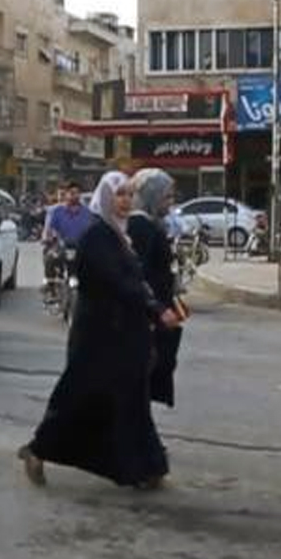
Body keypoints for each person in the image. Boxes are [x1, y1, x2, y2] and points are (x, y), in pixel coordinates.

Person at [19, 172, 180, 489]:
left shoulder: (122, 235)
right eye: (118, 195)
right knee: (79, 398)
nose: (124, 201)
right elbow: (121, 282)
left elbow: (139, 279)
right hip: (97, 337)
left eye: (128, 195)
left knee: (132, 400)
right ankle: (38, 450)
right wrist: (157, 309)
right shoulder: (97, 237)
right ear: (106, 198)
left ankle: (147, 467)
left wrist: (156, 308)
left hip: (125, 335)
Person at [127, 168, 185, 408]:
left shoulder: (152, 225)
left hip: (155, 313)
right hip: (148, 317)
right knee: (140, 381)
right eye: (166, 197)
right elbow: (141, 276)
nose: (170, 204)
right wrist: (157, 310)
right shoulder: (143, 228)